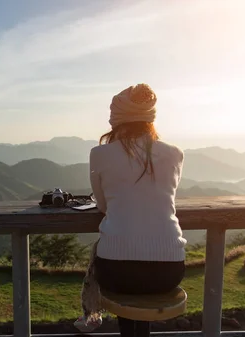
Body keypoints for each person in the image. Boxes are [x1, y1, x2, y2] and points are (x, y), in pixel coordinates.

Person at [75, 83, 187, 337]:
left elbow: (103, 206)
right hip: (169, 270)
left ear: (116, 121)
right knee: (144, 292)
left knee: (128, 285)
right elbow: (163, 200)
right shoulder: (175, 154)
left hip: (117, 270)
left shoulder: (100, 154)